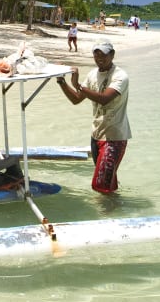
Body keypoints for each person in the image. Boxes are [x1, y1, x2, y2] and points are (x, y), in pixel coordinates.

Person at [56, 39, 131, 194]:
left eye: (103, 54)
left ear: (112, 54)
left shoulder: (120, 76)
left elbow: (104, 99)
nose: (99, 58)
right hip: (96, 135)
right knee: (107, 182)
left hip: (113, 137)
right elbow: (77, 99)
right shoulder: (92, 74)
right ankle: (114, 208)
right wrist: (62, 81)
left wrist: (78, 85)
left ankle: (105, 213)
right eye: (96, 55)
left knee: (100, 184)